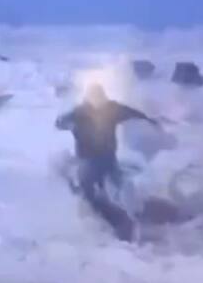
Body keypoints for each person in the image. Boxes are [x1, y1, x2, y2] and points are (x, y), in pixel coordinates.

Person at [55, 84, 161, 241]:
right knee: (89, 191)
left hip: (107, 158)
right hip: (88, 160)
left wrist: (148, 119)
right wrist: (66, 123)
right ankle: (102, 218)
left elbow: (131, 112)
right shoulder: (80, 112)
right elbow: (60, 122)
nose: (97, 101)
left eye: (99, 97)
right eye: (94, 97)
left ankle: (128, 215)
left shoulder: (111, 109)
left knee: (115, 187)